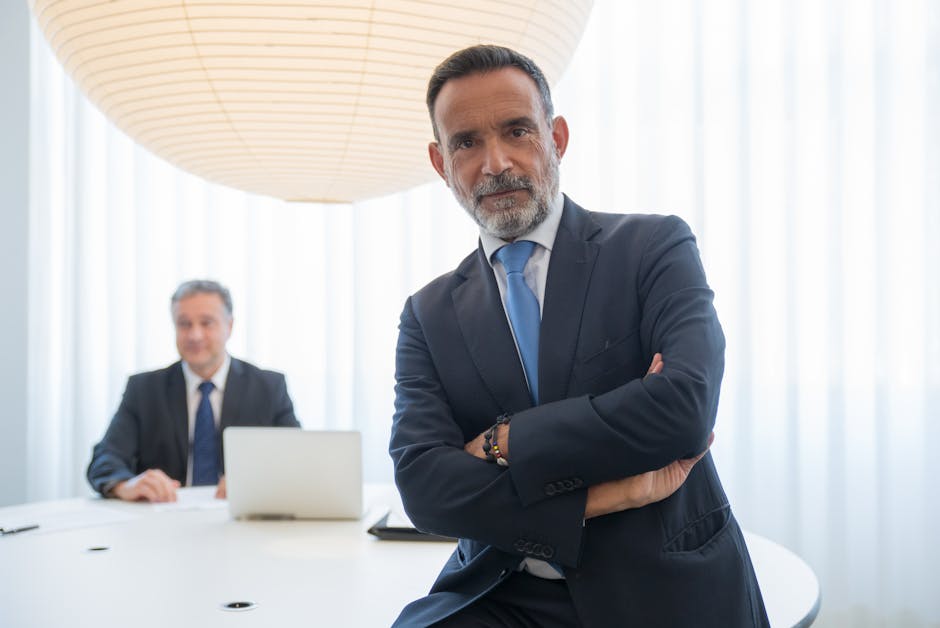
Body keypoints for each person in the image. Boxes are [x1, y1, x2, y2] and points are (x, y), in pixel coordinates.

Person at [389, 45, 769, 627]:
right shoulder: (427, 313)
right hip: (502, 591)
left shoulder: (653, 249)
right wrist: (607, 495)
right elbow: (425, 488)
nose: (495, 163)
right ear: (441, 164)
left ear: (557, 138)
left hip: (661, 588)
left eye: (517, 131)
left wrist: (503, 442)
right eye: (466, 142)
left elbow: (685, 409)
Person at [87, 279, 299, 502]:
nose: (194, 335)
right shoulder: (144, 390)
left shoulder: (268, 387)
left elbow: (297, 458)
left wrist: (258, 479)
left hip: (240, 512)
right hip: (165, 513)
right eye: (184, 324)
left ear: (229, 326)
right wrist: (125, 485)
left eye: (207, 323)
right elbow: (105, 458)